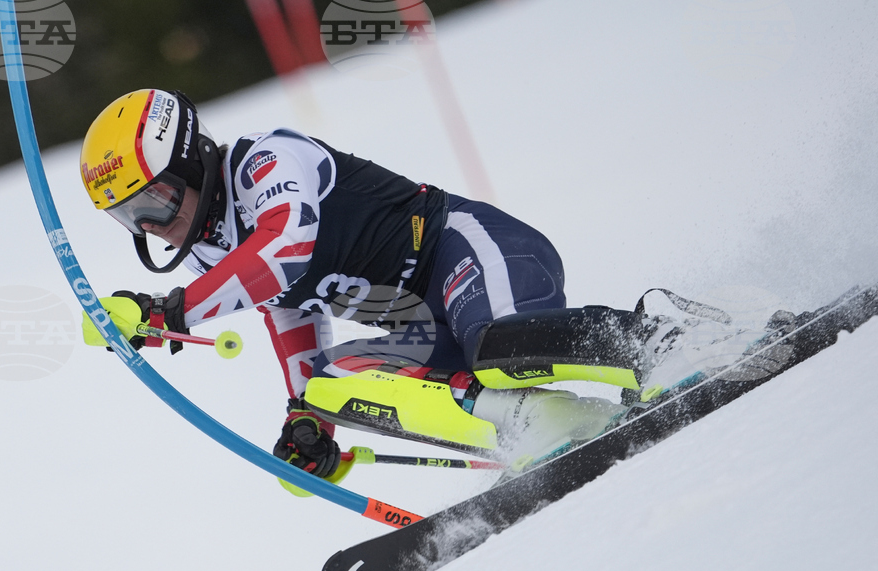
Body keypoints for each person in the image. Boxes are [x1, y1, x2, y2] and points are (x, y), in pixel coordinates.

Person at [79, 89, 671, 480]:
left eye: (154, 201)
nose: (153, 227)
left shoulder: (265, 161)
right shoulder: (207, 248)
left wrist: (172, 311)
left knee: (493, 347)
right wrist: (306, 419)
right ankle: (543, 422)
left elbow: (282, 253)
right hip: (415, 320)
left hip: (468, 249)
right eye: (131, 218)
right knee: (331, 385)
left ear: (190, 161)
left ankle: (659, 340)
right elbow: (286, 307)